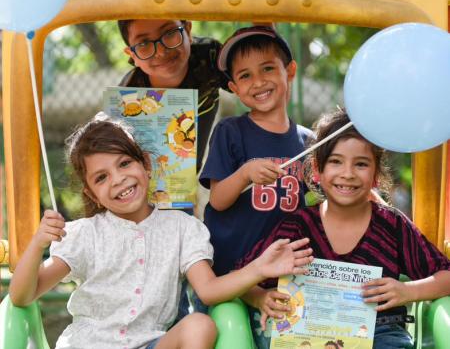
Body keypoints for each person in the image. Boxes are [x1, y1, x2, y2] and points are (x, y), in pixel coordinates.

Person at [9, 116, 314, 349]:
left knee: (200, 325)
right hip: (90, 345)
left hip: (150, 344)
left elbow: (208, 291)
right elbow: (22, 296)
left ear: (145, 164)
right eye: (102, 177)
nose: (118, 179)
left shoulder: (182, 228)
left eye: (124, 163)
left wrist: (258, 268)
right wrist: (38, 245)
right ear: (91, 192)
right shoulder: (85, 234)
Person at [242, 109, 450, 349]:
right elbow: (244, 277)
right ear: (317, 170)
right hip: (308, 335)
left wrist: (407, 291)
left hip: (380, 335)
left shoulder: (392, 226)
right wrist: (260, 298)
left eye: (361, 164)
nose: (348, 174)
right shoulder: (297, 227)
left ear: (375, 176)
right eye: (336, 162)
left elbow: (445, 275)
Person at [199, 26, 313, 345]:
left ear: (289, 71)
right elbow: (218, 200)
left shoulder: (308, 142)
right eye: (245, 76)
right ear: (234, 87)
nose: (259, 82)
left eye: (267, 68)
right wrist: (245, 173)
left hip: (283, 274)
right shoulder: (231, 131)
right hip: (233, 268)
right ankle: (254, 298)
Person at [118, 19, 228, 170]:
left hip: (200, 124)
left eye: (170, 33)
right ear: (132, 55)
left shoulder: (210, 55)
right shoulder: (129, 95)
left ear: (188, 31)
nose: (161, 51)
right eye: (144, 43)